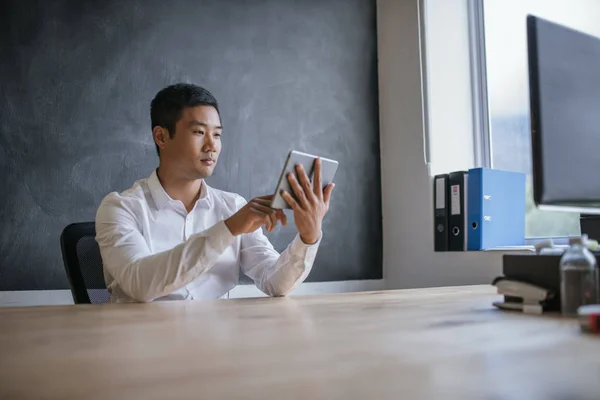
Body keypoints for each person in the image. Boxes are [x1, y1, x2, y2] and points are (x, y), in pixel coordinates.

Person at [95, 83, 335, 303]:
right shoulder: (119, 208)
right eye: (199, 132)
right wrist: (229, 228)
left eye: (217, 134)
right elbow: (140, 284)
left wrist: (308, 237)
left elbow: (274, 282)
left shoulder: (232, 206)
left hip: (217, 342)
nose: (212, 146)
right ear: (161, 137)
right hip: (142, 343)